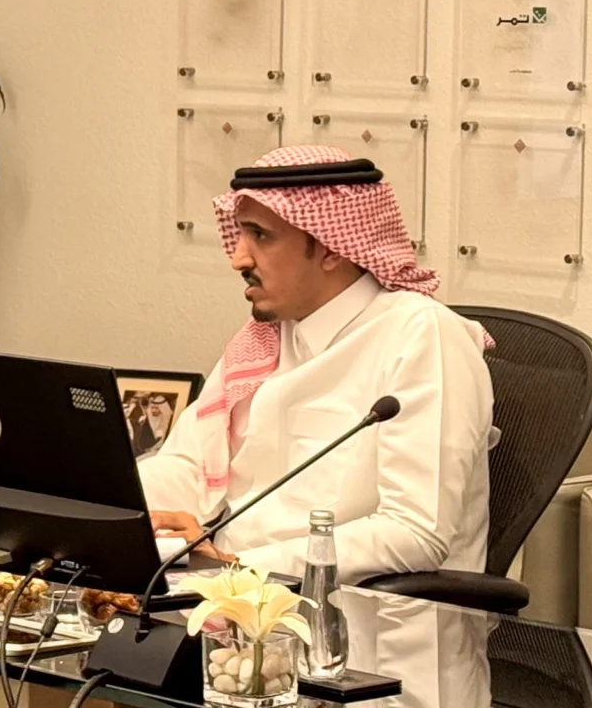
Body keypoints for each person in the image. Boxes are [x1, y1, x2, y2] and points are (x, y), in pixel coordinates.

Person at [138, 145, 494, 583]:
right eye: (240, 234)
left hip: (358, 610)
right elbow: (190, 464)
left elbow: (415, 533)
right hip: (230, 590)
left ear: (331, 248)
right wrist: (117, 513)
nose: (239, 258)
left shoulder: (421, 336)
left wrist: (239, 566)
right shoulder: (267, 335)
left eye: (260, 236)